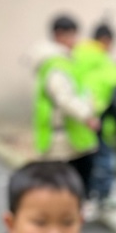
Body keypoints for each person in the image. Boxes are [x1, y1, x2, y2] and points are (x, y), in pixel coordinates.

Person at [31, 14, 100, 192]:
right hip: (63, 139)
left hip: (70, 137)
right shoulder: (56, 65)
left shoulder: (62, 62)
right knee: (67, 192)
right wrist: (87, 116)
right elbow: (65, 98)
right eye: (72, 35)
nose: (75, 41)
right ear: (59, 35)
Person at [73, 22, 116, 208]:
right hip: (95, 118)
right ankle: (102, 197)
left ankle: (83, 198)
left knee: (82, 162)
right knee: (103, 158)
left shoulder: (75, 56)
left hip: (74, 118)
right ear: (106, 40)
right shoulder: (105, 64)